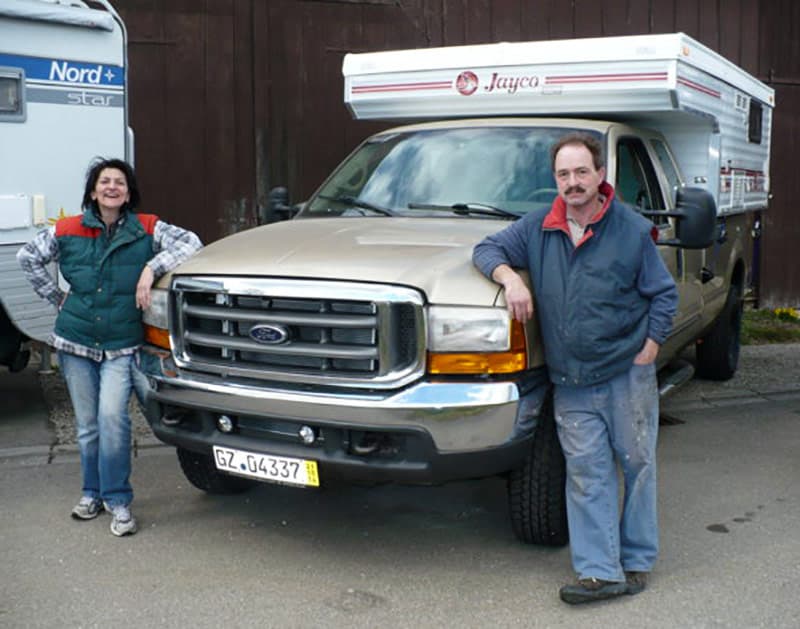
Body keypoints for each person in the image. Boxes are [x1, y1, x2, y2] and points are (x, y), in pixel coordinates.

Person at [473, 132, 678, 604]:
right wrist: (510, 280)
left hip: (626, 371)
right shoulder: (536, 228)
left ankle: (637, 560)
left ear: (601, 174)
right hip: (571, 381)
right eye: (563, 174)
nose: (573, 182)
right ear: (556, 181)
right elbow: (486, 249)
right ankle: (600, 572)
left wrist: (650, 346)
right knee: (588, 473)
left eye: (581, 172)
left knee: (638, 465)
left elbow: (663, 293)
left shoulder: (629, 228)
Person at [18, 158, 202, 537]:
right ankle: (92, 494)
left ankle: (118, 501)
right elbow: (27, 257)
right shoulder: (67, 229)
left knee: (113, 423)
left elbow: (192, 243)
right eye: (105, 182)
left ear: (129, 192)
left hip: (122, 346)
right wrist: (56, 296)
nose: (112, 187)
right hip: (75, 342)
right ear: (92, 191)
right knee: (87, 427)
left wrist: (151, 269)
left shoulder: (147, 228)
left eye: (120, 182)